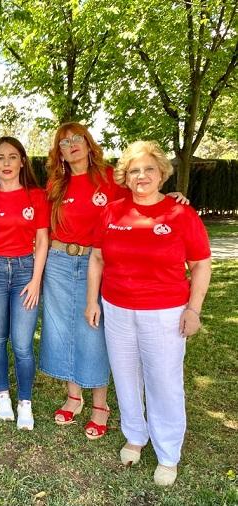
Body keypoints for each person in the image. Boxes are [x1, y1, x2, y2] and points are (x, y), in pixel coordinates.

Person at [86, 141, 211, 486]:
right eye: (134, 170)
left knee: (164, 383)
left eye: (149, 169)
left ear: (161, 174)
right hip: (117, 308)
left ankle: (168, 453)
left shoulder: (180, 214)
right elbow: (97, 258)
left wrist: (194, 310)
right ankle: (135, 436)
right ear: (125, 177)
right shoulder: (111, 211)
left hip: (165, 313)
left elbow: (201, 264)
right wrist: (92, 301)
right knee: (125, 377)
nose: (141, 176)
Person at [38, 122, 126, 439]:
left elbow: (142, 198)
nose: (71, 145)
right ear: (58, 153)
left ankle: (100, 405)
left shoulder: (110, 177)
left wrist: (170, 197)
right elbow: (42, 228)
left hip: (97, 263)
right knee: (63, 330)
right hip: (59, 264)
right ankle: (73, 397)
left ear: (89, 144)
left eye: (77, 139)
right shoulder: (55, 185)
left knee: (93, 331)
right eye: (64, 142)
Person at [0, 137, 49, 430]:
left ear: (22, 161)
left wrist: (35, 280)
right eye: (0, 158)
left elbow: (42, 240)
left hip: (24, 271)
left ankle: (25, 402)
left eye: (12, 157)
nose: (6, 163)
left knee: (22, 343)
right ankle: (3, 394)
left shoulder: (36, 196)